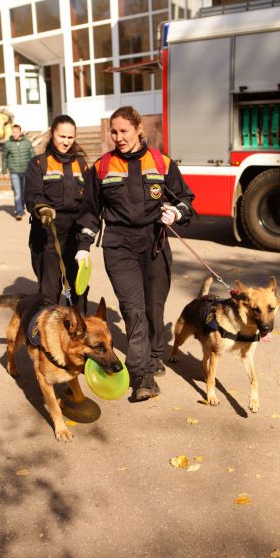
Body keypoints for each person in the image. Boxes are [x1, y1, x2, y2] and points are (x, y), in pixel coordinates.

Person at [76, 106, 194, 402]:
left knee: (154, 306)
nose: (118, 137)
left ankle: (154, 353)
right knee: (133, 309)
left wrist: (176, 213)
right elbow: (90, 211)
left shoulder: (162, 162)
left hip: (154, 242)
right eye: (113, 132)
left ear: (138, 129)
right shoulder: (102, 167)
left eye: (124, 131)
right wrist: (83, 246)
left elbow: (186, 200)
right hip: (119, 245)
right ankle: (142, 375)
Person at [24, 115, 88, 306]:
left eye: (70, 137)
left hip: (74, 235)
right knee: (49, 292)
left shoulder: (82, 164)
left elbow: (89, 199)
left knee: (77, 289)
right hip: (46, 233)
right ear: (52, 134)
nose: (66, 142)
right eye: (62, 136)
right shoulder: (38, 163)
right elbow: (32, 194)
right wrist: (42, 208)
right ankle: (49, 332)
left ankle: (76, 331)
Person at [2, 124, 34, 220]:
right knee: (17, 192)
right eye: (13, 132)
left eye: (16, 132)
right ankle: (19, 211)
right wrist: (4, 171)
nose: (14, 134)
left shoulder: (27, 143)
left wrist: (34, 170)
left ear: (20, 132)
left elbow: (32, 156)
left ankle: (23, 206)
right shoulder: (8, 144)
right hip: (14, 171)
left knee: (25, 191)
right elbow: (4, 158)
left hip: (26, 171)